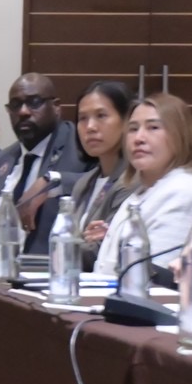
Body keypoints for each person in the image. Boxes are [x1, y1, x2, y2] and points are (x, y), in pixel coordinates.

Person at [97, 92, 192, 279]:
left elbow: (152, 278)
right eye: (133, 129)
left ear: (179, 136)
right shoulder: (145, 189)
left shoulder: (181, 191)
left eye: (153, 127)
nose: (139, 138)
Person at [0, 74, 88, 254]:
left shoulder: (79, 147)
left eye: (34, 102)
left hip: (51, 266)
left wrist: (52, 181)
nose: (23, 112)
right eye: (15, 105)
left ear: (56, 107)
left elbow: (106, 184)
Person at [61, 80, 134, 267]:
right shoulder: (85, 182)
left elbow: (101, 252)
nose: (90, 127)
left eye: (101, 115)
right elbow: (66, 243)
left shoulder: (132, 180)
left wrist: (72, 243)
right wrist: (80, 241)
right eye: (82, 118)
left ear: (126, 121)